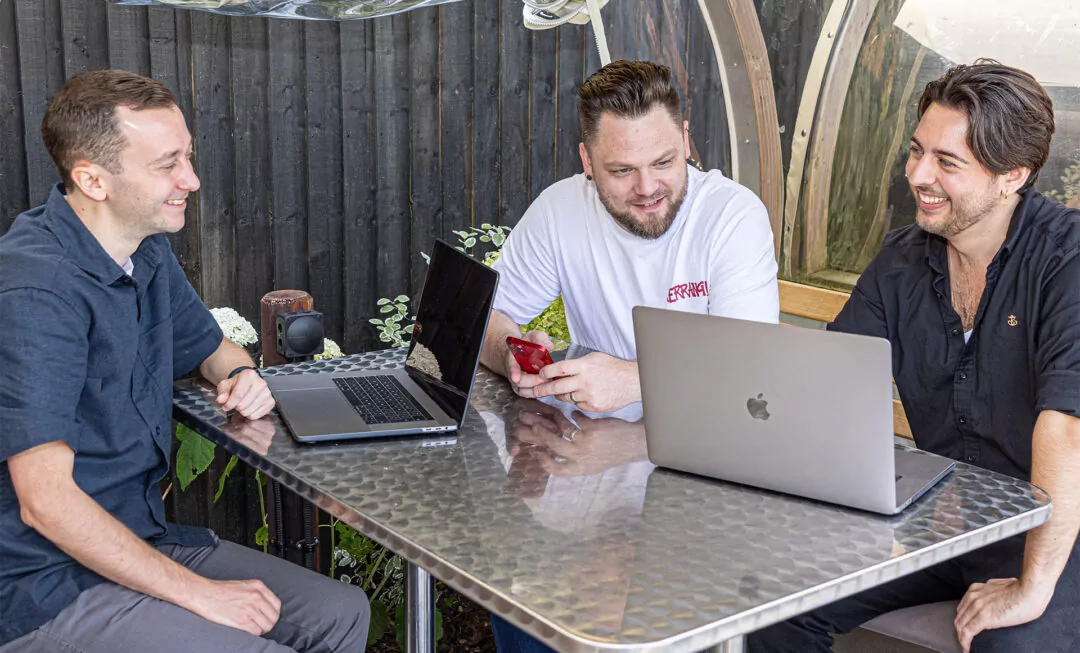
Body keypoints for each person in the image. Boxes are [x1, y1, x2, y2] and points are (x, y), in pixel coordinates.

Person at [0, 70, 369, 653]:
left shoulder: (142, 247)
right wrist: (198, 594)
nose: (191, 180)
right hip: (41, 583)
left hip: (140, 535)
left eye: (188, 157)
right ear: (93, 180)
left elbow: (213, 349)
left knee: (340, 611)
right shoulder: (35, 292)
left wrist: (242, 375)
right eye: (166, 164)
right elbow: (45, 502)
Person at [749, 60, 1080, 653]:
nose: (918, 175)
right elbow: (832, 387)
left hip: (1056, 532)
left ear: (1013, 176)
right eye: (916, 151)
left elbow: (1066, 430)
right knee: (772, 601)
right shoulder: (901, 261)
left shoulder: (1067, 261)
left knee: (1013, 646)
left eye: (947, 162)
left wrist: (1031, 588)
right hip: (942, 520)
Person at [479, 60, 779, 415]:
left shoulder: (733, 217)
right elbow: (486, 317)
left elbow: (749, 368)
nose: (648, 188)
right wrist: (510, 353)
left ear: (684, 140)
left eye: (663, 162)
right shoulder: (559, 210)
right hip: (588, 444)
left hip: (702, 442)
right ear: (587, 161)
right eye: (623, 170)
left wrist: (634, 381)